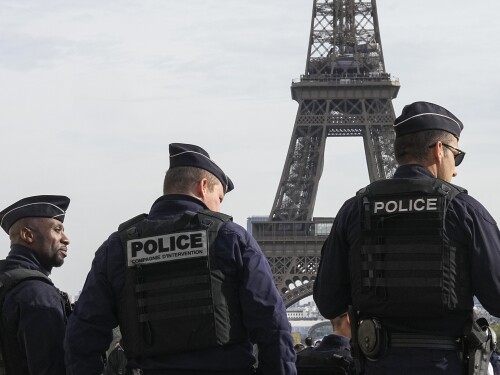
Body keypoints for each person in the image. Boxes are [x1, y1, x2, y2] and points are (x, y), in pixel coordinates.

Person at [64, 143, 296, 375]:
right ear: (203, 187)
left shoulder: (118, 247)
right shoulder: (230, 238)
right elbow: (272, 325)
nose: (219, 206)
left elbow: (82, 336)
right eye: (220, 198)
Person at [313, 101, 500, 374]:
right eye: (456, 156)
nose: (456, 168)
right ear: (439, 150)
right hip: (443, 364)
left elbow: (329, 301)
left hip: (375, 363)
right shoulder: (464, 211)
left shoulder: (354, 210)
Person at [0, 195, 72, 374]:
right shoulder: (37, 294)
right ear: (27, 235)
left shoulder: (7, 284)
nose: (66, 239)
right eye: (57, 230)